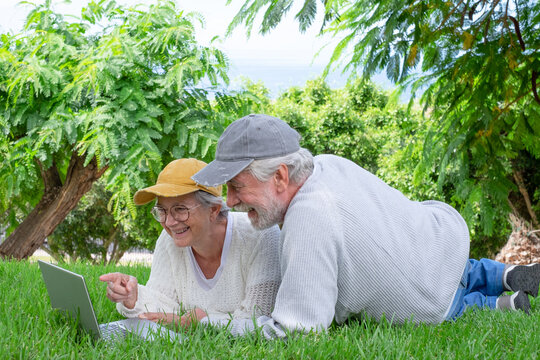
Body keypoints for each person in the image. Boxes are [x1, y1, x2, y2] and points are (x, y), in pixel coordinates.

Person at [191, 114, 540, 338]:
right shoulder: (326, 164)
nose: (231, 200)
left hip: (433, 301)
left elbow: (297, 329)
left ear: (280, 176)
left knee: (459, 305)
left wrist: (210, 323)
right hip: (442, 242)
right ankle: (507, 275)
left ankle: (499, 306)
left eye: (238, 186)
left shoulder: (308, 220)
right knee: (469, 270)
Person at [100, 158, 281, 328]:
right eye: (162, 210)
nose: (169, 222)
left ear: (213, 209)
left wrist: (201, 320)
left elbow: (259, 318)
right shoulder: (169, 240)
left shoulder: (260, 235)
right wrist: (132, 297)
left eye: (180, 209)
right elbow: (164, 303)